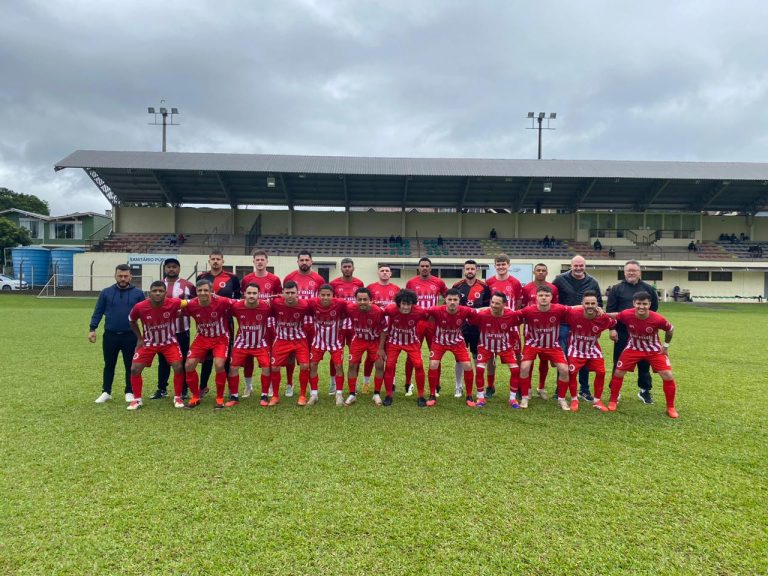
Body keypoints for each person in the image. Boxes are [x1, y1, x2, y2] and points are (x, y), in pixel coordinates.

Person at [605, 291, 679, 418]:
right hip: (633, 348)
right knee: (618, 372)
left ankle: (670, 407)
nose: (641, 307)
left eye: (645, 304)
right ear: (634, 303)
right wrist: (601, 312)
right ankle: (613, 401)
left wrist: (666, 346)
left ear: (649, 304)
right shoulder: (627, 314)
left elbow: (670, 329)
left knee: (667, 375)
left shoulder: (658, 319)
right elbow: (615, 315)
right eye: (638, 303)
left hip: (654, 350)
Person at [89, 264, 145, 404]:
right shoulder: (106, 293)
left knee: (130, 365)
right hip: (110, 335)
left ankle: (129, 391)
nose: (123, 279)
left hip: (130, 336)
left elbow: (145, 314)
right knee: (109, 364)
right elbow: (98, 311)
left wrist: (145, 335)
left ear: (130, 277)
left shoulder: (138, 294)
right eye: (120, 276)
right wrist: (92, 329)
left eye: (126, 276)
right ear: (115, 276)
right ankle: (106, 392)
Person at [126, 281, 186, 410]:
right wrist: (139, 338)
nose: (158, 293)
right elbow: (131, 320)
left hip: (169, 342)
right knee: (134, 369)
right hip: (148, 342)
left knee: (178, 366)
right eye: (154, 291)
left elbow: (191, 303)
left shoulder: (174, 302)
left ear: (165, 293)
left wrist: (212, 296)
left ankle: (178, 397)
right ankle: (137, 400)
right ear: (150, 293)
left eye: (161, 291)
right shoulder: (140, 307)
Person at [607, 260, 660, 404]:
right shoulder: (616, 289)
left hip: (643, 333)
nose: (631, 273)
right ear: (624, 272)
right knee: (619, 362)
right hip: (622, 332)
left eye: (634, 270)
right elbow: (610, 311)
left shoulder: (648, 289)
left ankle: (644, 390)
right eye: (628, 270)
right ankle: (615, 391)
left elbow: (654, 309)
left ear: (639, 272)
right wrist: (612, 329)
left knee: (644, 363)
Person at [553, 255, 603, 402]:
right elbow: (552, 298)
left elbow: (599, 303)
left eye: (581, 265)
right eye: (576, 265)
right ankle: (560, 389)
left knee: (584, 357)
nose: (578, 268)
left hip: (585, 326)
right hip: (564, 324)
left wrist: (597, 324)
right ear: (571, 265)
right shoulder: (559, 279)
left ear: (585, 266)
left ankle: (584, 389)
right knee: (563, 357)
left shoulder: (593, 282)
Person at [182, 279, 233, 408]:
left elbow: (240, 303)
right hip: (202, 337)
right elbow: (174, 309)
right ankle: (195, 396)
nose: (203, 293)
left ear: (212, 291)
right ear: (196, 292)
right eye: (200, 290)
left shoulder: (222, 301)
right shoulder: (191, 304)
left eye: (206, 290)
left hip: (221, 337)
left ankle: (220, 398)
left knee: (219, 364)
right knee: (189, 365)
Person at [517, 286, 571, 410]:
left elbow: (574, 308)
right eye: (541, 295)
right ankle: (525, 396)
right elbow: (512, 314)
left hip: (552, 345)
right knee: (524, 367)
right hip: (532, 344)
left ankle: (561, 399)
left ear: (551, 297)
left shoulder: (559, 308)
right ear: (536, 297)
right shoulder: (528, 310)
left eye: (547, 295)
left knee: (564, 370)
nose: (544, 298)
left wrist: (596, 308)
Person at [563, 290, 617, 411]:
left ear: (597, 304)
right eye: (587, 303)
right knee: (572, 373)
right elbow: (560, 310)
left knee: (601, 372)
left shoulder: (602, 317)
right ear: (582, 304)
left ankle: (597, 401)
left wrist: (613, 329)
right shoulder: (574, 313)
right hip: (575, 349)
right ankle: (574, 399)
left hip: (593, 349)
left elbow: (613, 322)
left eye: (593, 303)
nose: (590, 306)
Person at [196, 250, 240, 395]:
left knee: (225, 356)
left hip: (226, 322)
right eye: (213, 259)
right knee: (207, 357)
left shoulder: (232, 278)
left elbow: (237, 300)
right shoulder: (202, 277)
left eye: (218, 259)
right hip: (206, 322)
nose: (215, 261)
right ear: (209, 260)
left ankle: (230, 389)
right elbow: (197, 298)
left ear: (222, 261)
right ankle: (203, 387)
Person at [468, 292, 523, 408]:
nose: (493, 305)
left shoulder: (511, 315)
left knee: (515, 370)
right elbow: (469, 316)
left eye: (497, 303)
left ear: (504, 305)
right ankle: (480, 397)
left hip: (505, 347)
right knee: (479, 369)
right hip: (485, 347)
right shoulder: (482, 314)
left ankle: (512, 399)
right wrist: (479, 309)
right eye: (492, 302)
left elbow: (523, 317)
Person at [282, 250, 325, 397]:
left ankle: (311, 385)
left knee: (311, 357)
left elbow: (321, 300)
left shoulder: (319, 279)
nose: (304, 262)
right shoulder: (290, 277)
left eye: (307, 260)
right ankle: (289, 384)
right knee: (290, 355)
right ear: (297, 261)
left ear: (311, 261)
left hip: (312, 324)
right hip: (293, 324)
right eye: (302, 260)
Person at [240, 249, 282, 397]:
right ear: (253, 261)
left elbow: (278, 298)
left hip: (268, 323)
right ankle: (248, 387)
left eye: (262, 259)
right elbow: (243, 299)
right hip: (250, 322)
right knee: (248, 356)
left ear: (267, 261)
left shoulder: (274, 279)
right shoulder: (247, 279)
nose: (259, 262)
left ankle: (269, 386)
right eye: (257, 259)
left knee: (268, 354)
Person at [152, 258, 195, 400]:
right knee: (163, 360)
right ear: (165, 269)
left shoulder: (188, 285)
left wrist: (185, 312)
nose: (171, 269)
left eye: (174, 267)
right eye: (169, 267)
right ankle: (162, 389)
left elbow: (195, 303)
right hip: (163, 331)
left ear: (179, 269)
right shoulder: (159, 285)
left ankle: (183, 389)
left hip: (182, 330)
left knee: (182, 359)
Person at [425, 289, 477, 407]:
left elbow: (480, 311)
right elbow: (420, 311)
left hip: (457, 342)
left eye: (455, 299)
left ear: (459, 301)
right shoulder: (436, 310)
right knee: (433, 364)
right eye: (450, 299)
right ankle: (432, 394)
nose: (452, 302)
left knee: (468, 365)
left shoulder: (465, 310)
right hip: (439, 342)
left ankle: (469, 395)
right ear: (445, 300)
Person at [404, 257, 447, 396]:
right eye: (422, 266)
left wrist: (440, 312)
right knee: (412, 353)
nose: (424, 268)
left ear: (430, 268)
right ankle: (408, 384)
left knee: (435, 354)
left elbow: (448, 297)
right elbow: (406, 301)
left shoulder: (438, 282)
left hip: (432, 323)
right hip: (416, 323)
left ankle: (436, 385)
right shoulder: (411, 283)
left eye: (427, 266)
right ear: (418, 268)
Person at [485, 253, 523, 399]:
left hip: (511, 326)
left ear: (508, 265)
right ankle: (490, 386)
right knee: (491, 355)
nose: (501, 267)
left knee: (516, 355)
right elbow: (487, 302)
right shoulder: (489, 282)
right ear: (495, 266)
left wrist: (510, 316)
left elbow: (518, 302)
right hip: (493, 325)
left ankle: (517, 386)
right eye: (498, 264)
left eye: (503, 264)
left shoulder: (515, 282)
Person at [381, 289, 428, 406]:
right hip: (394, 341)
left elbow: (431, 317)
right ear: (398, 303)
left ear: (413, 304)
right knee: (389, 365)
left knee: (419, 365)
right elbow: (379, 313)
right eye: (403, 304)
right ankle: (388, 395)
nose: (406, 307)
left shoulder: (419, 311)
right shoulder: (391, 309)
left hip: (412, 341)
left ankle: (421, 396)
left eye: (409, 304)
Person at [228, 283, 272, 407]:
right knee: (233, 368)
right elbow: (223, 303)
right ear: (244, 294)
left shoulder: (266, 306)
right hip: (242, 342)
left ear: (259, 294)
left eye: (254, 293)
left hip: (260, 343)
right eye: (249, 293)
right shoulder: (236, 306)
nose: (251, 296)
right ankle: (234, 396)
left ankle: (264, 395)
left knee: (266, 367)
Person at [452, 260, 490, 397]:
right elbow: (452, 306)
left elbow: (488, 307)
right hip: (460, 326)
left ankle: (479, 387)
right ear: (464, 270)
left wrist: (476, 313)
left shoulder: (484, 287)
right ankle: (458, 386)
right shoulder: (457, 286)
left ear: (476, 270)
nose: (470, 271)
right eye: (467, 269)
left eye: (472, 269)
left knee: (477, 356)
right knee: (459, 358)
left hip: (477, 327)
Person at [269, 281, 312, 405]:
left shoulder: (304, 305)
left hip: (299, 340)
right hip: (281, 339)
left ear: (298, 293)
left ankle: (302, 395)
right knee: (275, 367)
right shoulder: (276, 303)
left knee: (304, 366)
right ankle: (275, 396)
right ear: (282, 293)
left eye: (293, 293)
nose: (290, 295)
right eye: (287, 293)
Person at [521, 262, 560, 398]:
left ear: (547, 273)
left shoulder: (553, 288)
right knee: (529, 359)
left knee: (545, 359)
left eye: (543, 270)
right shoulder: (527, 288)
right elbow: (523, 307)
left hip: (548, 328)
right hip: (531, 329)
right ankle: (528, 388)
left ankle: (541, 387)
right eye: (538, 270)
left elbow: (556, 307)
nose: (541, 272)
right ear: (534, 272)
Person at [345, 287, 388, 406]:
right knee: (352, 365)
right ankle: (352, 394)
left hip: (374, 341)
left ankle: (376, 394)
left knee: (379, 365)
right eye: (359, 299)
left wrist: (381, 348)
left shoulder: (378, 311)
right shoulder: (350, 308)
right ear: (355, 300)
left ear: (370, 300)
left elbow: (384, 330)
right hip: (358, 339)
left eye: (365, 299)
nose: (362, 302)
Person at [306, 284, 348, 405]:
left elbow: (352, 308)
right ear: (318, 295)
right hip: (318, 342)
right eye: (322, 295)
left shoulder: (340, 303)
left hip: (335, 343)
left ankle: (339, 394)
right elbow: (300, 305)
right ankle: (314, 394)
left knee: (338, 366)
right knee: (313, 365)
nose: (325, 298)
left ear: (333, 295)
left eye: (328, 295)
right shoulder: (312, 303)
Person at [329, 258, 364, 395]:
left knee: (356, 355)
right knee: (335, 354)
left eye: (349, 266)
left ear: (353, 268)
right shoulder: (334, 283)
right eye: (345, 266)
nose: (347, 269)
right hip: (338, 325)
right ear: (341, 268)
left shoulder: (359, 283)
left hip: (354, 325)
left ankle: (354, 383)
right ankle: (333, 384)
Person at [365, 264, 401, 392]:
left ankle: (392, 382)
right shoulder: (370, 288)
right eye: (382, 270)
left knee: (391, 357)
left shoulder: (396, 289)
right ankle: (367, 383)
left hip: (392, 327)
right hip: (375, 327)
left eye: (387, 271)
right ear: (378, 273)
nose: (384, 272)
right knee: (372, 356)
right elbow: (366, 304)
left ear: (390, 274)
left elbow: (400, 307)